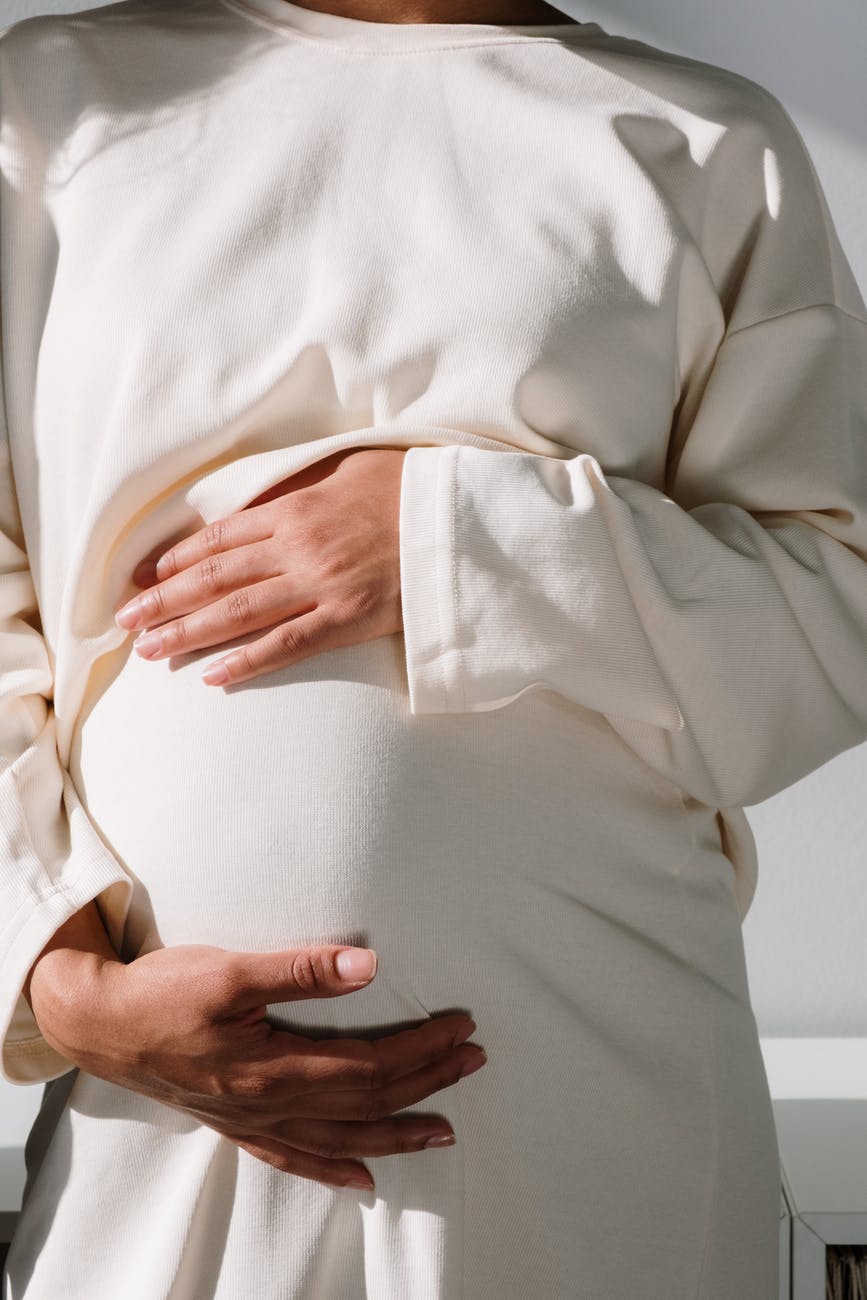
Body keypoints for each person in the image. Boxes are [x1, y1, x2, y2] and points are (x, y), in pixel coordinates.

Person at [1, 0, 866, 1295]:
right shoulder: (52, 106)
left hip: (586, 1096)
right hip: (166, 1115)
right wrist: (52, 977)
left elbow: (836, 616)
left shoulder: (702, 145)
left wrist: (453, 538)